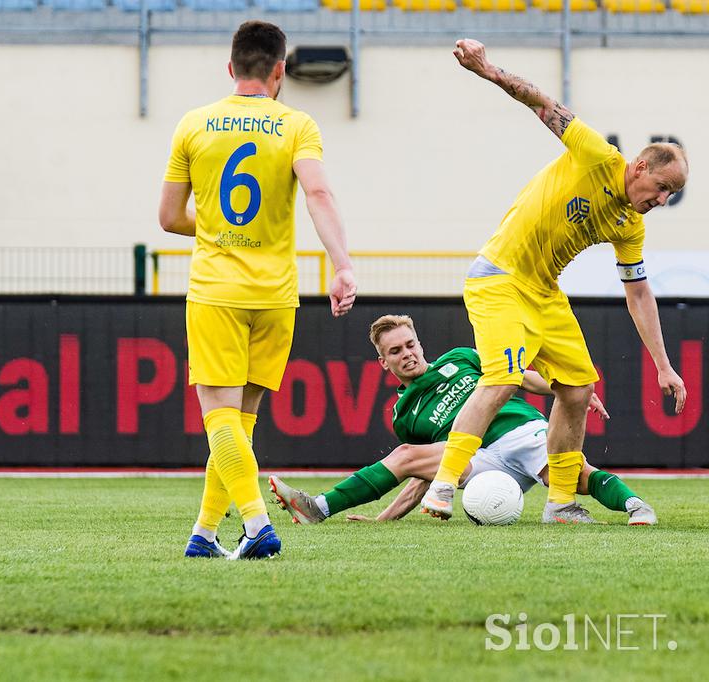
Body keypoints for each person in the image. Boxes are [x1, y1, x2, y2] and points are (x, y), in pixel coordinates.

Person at [420, 38, 688, 524]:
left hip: (543, 292)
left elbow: (639, 293)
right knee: (500, 379)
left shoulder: (631, 226)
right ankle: (441, 487)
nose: (663, 200)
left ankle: (561, 502)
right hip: (498, 277)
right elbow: (543, 103)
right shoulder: (597, 156)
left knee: (579, 386)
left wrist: (664, 366)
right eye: (663, 188)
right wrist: (488, 70)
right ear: (641, 166)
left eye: (672, 194)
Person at [158, 21, 357, 560]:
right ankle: (203, 535)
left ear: (230, 69)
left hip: (217, 290)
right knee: (240, 422)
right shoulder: (297, 124)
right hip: (275, 296)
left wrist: (220, 227)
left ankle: (255, 526)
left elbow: (169, 217)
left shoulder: (193, 124)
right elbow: (317, 190)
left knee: (219, 419)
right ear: (278, 70)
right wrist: (341, 265)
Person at [269, 314, 657, 525]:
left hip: (519, 433)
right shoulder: (405, 415)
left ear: (420, 344)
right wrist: (383, 519)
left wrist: (570, 391)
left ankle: (635, 505)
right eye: (395, 351)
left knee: (572, 476)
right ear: (383, 362)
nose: (406, 354)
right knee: (405, 454)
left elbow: (522, 376)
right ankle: (317, 507)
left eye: (410, 345)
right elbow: (425, 479)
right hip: (479, 463)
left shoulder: (462, 358)